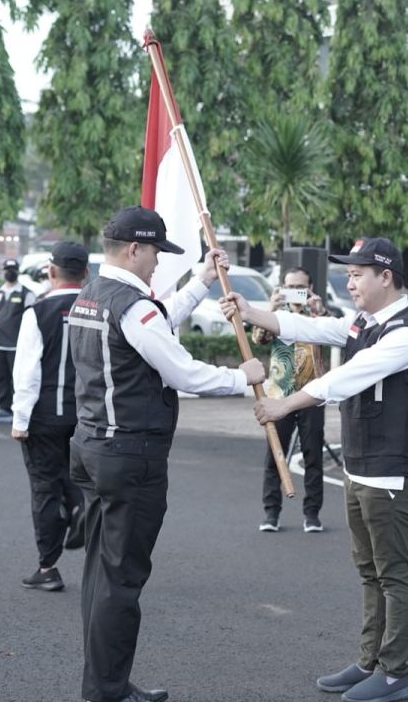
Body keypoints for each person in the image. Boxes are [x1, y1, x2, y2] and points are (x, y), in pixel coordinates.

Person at [222, 237, 408, 702]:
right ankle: (369, 661)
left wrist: (284, 405)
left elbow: (342, 380)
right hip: (360, 468)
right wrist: (253, 311)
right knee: (368, 570)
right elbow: (315, 327)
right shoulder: (364, 323)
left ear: (387, 277)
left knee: (393, 573)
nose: (350, 281)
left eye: (359, 274)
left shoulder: (407, 334)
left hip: (392, 472)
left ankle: (395, 672)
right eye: (349, 273)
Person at [67, 207, 265, 702]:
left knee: (100, 574)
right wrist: (245, 378)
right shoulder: (132, 306)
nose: (158, 262)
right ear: (134, 249)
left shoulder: (91, 295)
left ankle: (103, 682)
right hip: (130, 455)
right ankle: (107, 690)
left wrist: (200, 281)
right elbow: (184, 372)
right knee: (121, 580)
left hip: (92, 447)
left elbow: (158, 327)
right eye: (155, 252)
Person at [10, 244, 89, 592]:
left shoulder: (38, 311)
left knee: (44, 487)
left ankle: (47, 567)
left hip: (45, 415)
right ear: (86, 273)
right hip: (88, 415)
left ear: (51, 272)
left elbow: (26, 371)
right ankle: (80, 509)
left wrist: (20, 419)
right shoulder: (99, 309)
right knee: (78, 479)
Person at [256, 266, 329, 533]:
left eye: (301, 286)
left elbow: (335, 336)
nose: (295, 292)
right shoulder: (276, 315)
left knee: (313, 456)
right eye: (290, 287)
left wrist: (318, 310)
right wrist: (270, 307)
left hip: (312, 394)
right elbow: (259, 338)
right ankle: (271, 513)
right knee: (275, 454)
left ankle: (312, 514)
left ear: (310, 287)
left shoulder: (318, 315)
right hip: (279, 395)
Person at [0, 258, 36, 423]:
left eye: (12, 270)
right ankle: (4, 408)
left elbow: (32, 319)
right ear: (2, 272)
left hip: (17, 345)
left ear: (17, 272)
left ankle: (19, 410)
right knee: (1, 378)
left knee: (18, 380)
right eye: (6, 269)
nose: (9, 273)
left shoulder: (26, 293)